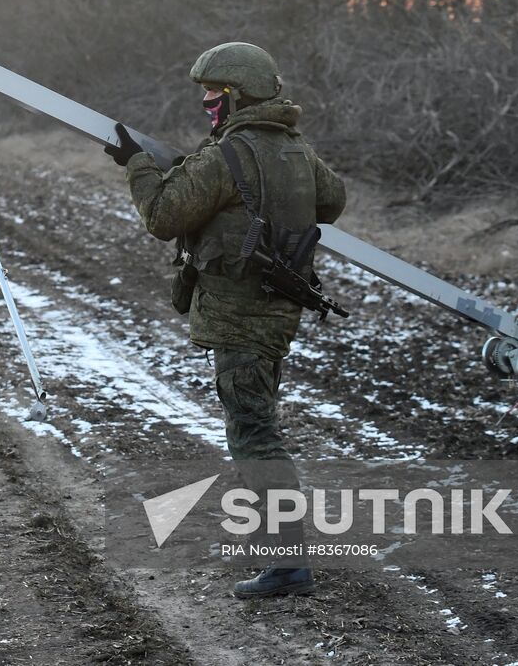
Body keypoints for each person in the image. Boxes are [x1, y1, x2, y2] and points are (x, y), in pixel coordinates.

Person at [104, 41, 346, 599]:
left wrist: (136, 163)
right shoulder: (294, 149)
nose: (208, 101)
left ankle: (289, 565)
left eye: (214, 92)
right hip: (274, 312)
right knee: (254, 424)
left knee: (254, 432)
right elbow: (332, 201)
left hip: (241, 315)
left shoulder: (228, 154)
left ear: (238, 95)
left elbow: (163, 216)